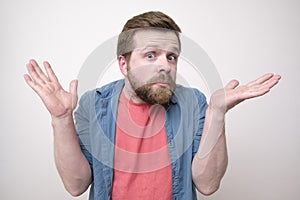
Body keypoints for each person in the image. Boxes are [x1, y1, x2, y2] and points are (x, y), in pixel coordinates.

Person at [24, 11, 281, 200]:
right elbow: (75, 185)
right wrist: (60, 119)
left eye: (172, 57)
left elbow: (208, 184)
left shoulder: (194, 104)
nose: (165, 65)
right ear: (124, 65)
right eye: (150, 55)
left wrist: (217, 113)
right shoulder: (95, 104)